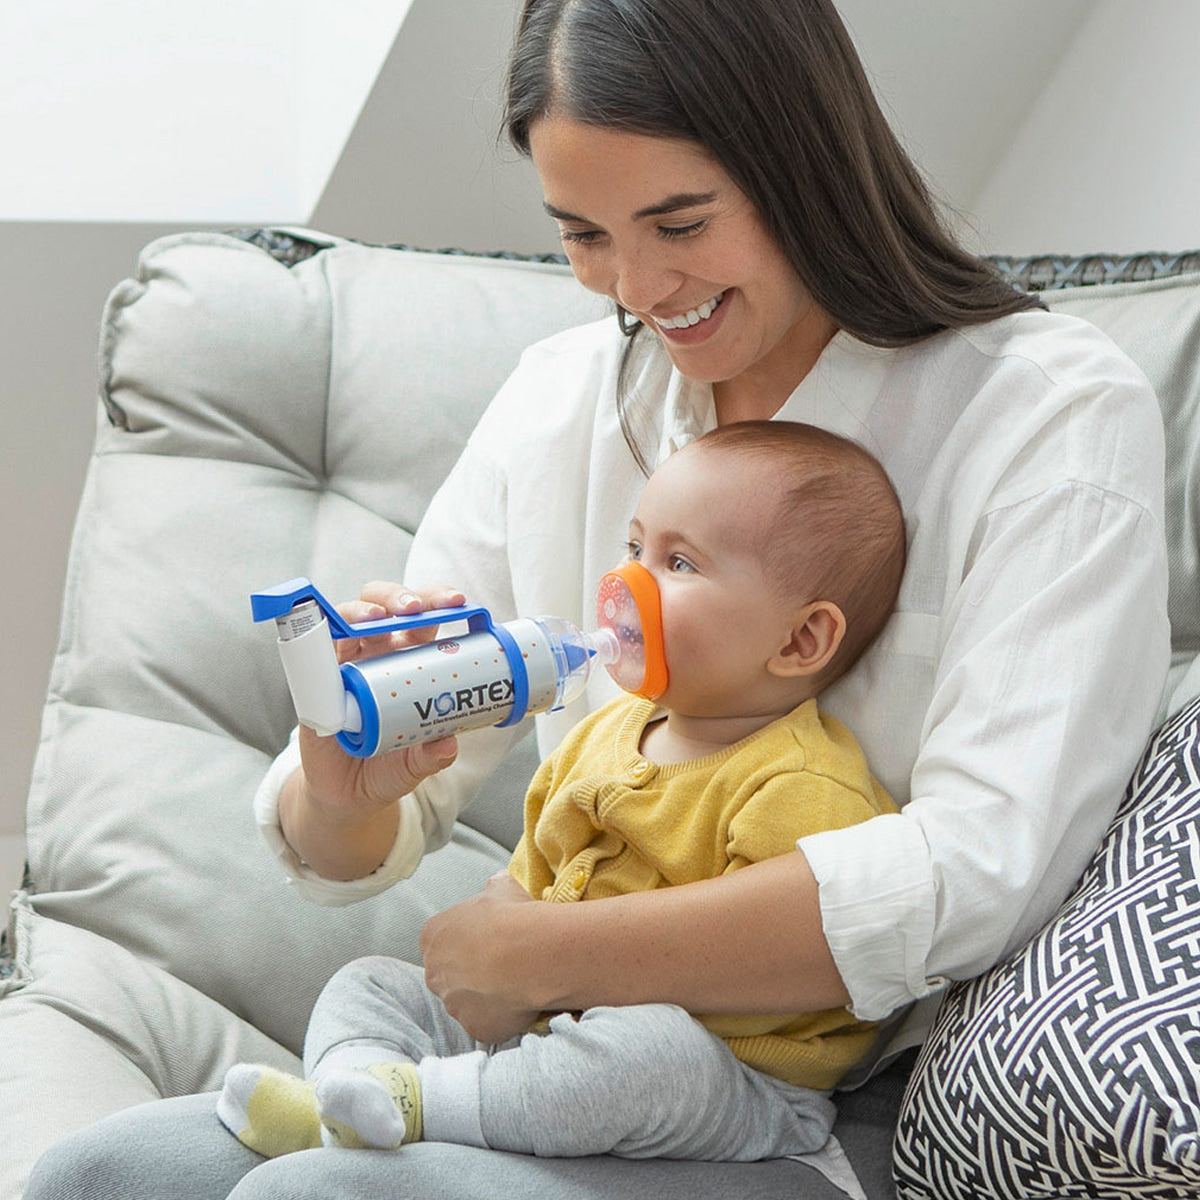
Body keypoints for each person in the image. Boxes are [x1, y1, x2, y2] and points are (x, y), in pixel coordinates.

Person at [26, 1, 1169, 1198]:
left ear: (803, 159)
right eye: (583, 234)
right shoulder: (562, 402)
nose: (638, 287)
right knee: (101, 1174)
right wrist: (342, 778)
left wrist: (553, 954)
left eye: (679, 222)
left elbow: (973, 872)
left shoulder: (1040, 415)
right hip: (538, 1056)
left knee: (319, 1195)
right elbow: (351, 843)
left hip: (806, 1104)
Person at [215, 420, 905, 1164]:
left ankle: (414, 1105)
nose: (625, 584)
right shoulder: (604, 733)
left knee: (647, 1053)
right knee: (371, 985)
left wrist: (548, 959)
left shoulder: (802, 781)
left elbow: (783, 971)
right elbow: (533, 876)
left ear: (800, 641)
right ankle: (342, 1103)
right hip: (545, 1030)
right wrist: (511, 914)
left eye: (678, 563)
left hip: (727, 1083)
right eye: (635, 547)